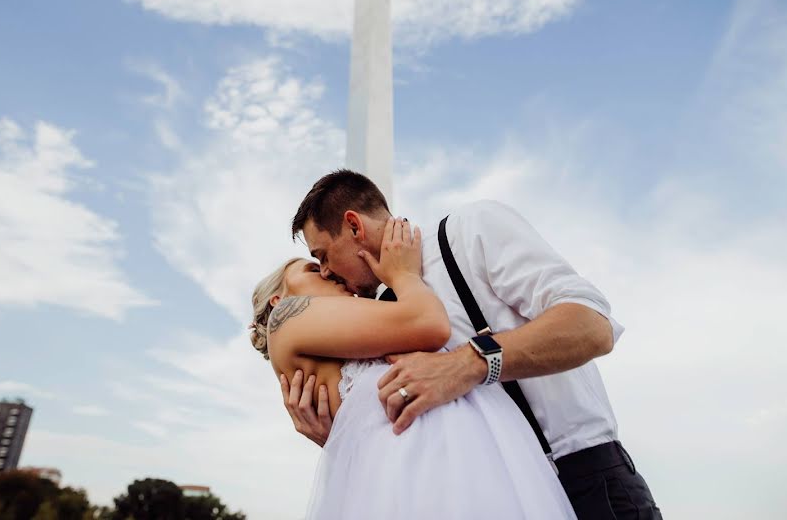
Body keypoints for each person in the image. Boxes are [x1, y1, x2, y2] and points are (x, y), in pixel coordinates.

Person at [282, 169, 663, 519]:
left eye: (323, 256)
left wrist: (470, 364)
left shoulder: (468, 231)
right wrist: (340, 437)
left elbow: (592, 325)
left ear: (353, 226)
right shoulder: (378, 310)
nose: (326, 272)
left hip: (588, 483)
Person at [251, 216, 576, 519]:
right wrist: (404, 275)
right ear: (278, 301)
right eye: (311, 268)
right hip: (425, 480)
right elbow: (430, 324)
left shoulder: (344, 336)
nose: (325, 272)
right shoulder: (288, 317)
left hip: (451, 471)